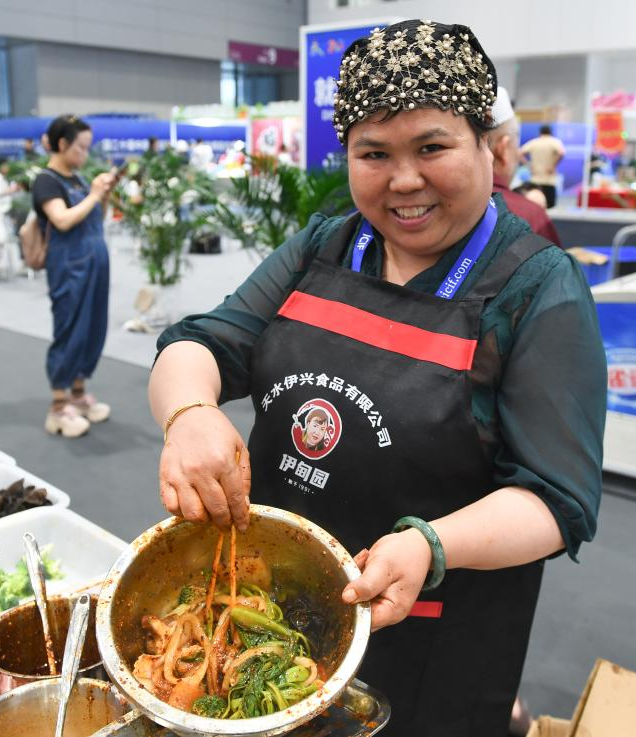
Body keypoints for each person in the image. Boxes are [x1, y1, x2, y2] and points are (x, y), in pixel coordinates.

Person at [149, 20, 605, 736]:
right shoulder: (326, 246)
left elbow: (557, 500)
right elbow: (199, 343)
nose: (404, 180)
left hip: (431, 634)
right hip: (266, 608)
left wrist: (431, 543)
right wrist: (190, 414)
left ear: (487, 145)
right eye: (374, 153)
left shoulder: (536, 287)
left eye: (432, 147)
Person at [31, 115, 116, 438]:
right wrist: (93, 195)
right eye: (81, 147)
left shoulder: (78, 179)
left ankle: (78, 396)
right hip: (69, 266)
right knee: (69, 330)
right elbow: (62, 220)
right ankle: (58, 407)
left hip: (94, 263)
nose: (85, 153)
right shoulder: (47, 181)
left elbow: (96, 217)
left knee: (92, 329)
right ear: (63, 144)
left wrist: (102, 196)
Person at [487, 87, 561, 245]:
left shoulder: (444, 208)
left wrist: (529, 164)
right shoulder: (530, 217)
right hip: (548, 181)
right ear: (503, 149)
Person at [518, 123, 565, 208]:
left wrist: (528, 165)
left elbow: (520, 153)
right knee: (549, 206)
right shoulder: (554, 142)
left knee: (535, 206)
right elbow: (561, 153)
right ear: (550, 132)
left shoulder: (534, 142)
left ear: (540, 133)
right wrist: (553, 165)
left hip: (535, 180)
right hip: (549, 180)